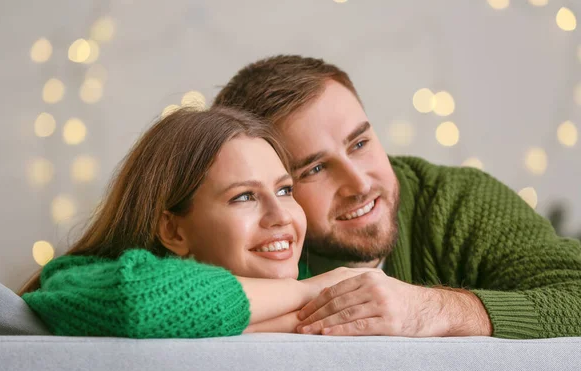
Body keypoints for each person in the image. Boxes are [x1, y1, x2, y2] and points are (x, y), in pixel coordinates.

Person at [213, 55, 581, 339]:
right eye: (314, 170)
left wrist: (433, 310)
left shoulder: (457, 202)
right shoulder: (222, 233)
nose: (358, 183)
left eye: (359, 143)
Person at [23, 107, 365, 338]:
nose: (281, 217)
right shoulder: (76, 282)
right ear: (173, 231)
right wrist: (305, 293)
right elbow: (141, 300)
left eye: (285, 190)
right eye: (244, 196)